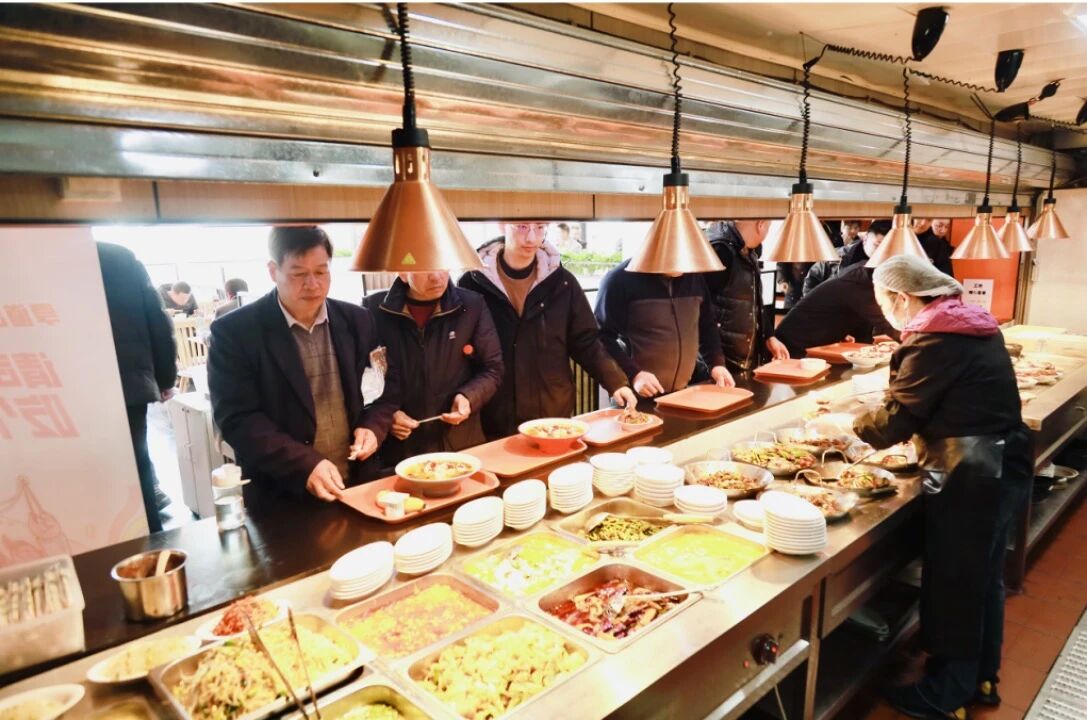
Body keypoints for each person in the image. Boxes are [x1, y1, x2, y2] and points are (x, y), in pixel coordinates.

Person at [853, 255, 1031, 719]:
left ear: (903, 297)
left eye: (885, 301)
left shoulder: (934, 338)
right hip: (1004, 461)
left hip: (970, 473)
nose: (886, 311)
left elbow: (896, 421)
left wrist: (853, 427)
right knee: (983, 577)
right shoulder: (972, 323)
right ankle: (982, 676)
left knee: (956, 580)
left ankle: (946, 693)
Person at [208, 226, 399, 501]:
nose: (313, 284)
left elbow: (385, 385)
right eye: (298, 274)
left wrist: (373, 427)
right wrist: (304, 463)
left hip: (358, 481)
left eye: (321, 272)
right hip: (282, 493)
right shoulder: (236, 332)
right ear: (273, 271)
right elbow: (237, 418)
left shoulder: (357, 320)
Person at [459, 220, 637, 438]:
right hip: (494, 410)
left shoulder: (563, 282)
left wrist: (615, 382)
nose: (532, 238)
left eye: (540, 227)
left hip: (551, 407)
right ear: (502, 225)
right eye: (522, 227)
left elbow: (586, 340)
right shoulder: (472, 282)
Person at [365, 271, 503, 463]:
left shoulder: (471, 305)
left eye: (441, 266)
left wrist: (468, 397)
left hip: (461, 441)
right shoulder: (374, 309)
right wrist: (386, 415)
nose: (436, 277)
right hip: (401, 448)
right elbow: (365, 379)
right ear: (403, 273)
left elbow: (492, 368)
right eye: (425, 269)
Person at [97, 243, 178, 533]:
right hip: (127, 383)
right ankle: (151, 547)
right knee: (137, 469)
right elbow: (158, 321)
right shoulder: (118, 257)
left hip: (51, 388)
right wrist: (165, 378)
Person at [595, 259, 732, 396]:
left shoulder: (694, 277)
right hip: (635, 394)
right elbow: (601, 337)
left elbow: (706, 325)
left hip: (682, 392)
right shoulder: (619, 278)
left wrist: (716, 363)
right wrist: (634, 374)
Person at [772, 220, 899, 358]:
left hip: (823, 340)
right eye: (879, 245)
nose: (884, 254)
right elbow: (884, 322)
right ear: (866, 238)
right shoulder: (861, 277)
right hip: (794, 345)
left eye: (889, 249)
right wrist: (912, 340)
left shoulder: (866, 271)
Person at [704, 220, 790, 373]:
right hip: (723, 363)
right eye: (769, 227)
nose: (767, 233)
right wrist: (715, 362)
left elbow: (755, 301)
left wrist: (769, 336)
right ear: (760, 225)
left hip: (742, 359)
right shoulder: (721, 250)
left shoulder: (748, 250)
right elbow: (701, 311)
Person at [802, 219, 882, 295]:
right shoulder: (837, 253)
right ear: (865, 238)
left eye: (856, 228)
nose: (882, 250)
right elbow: (812, 278)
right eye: (877, 244)